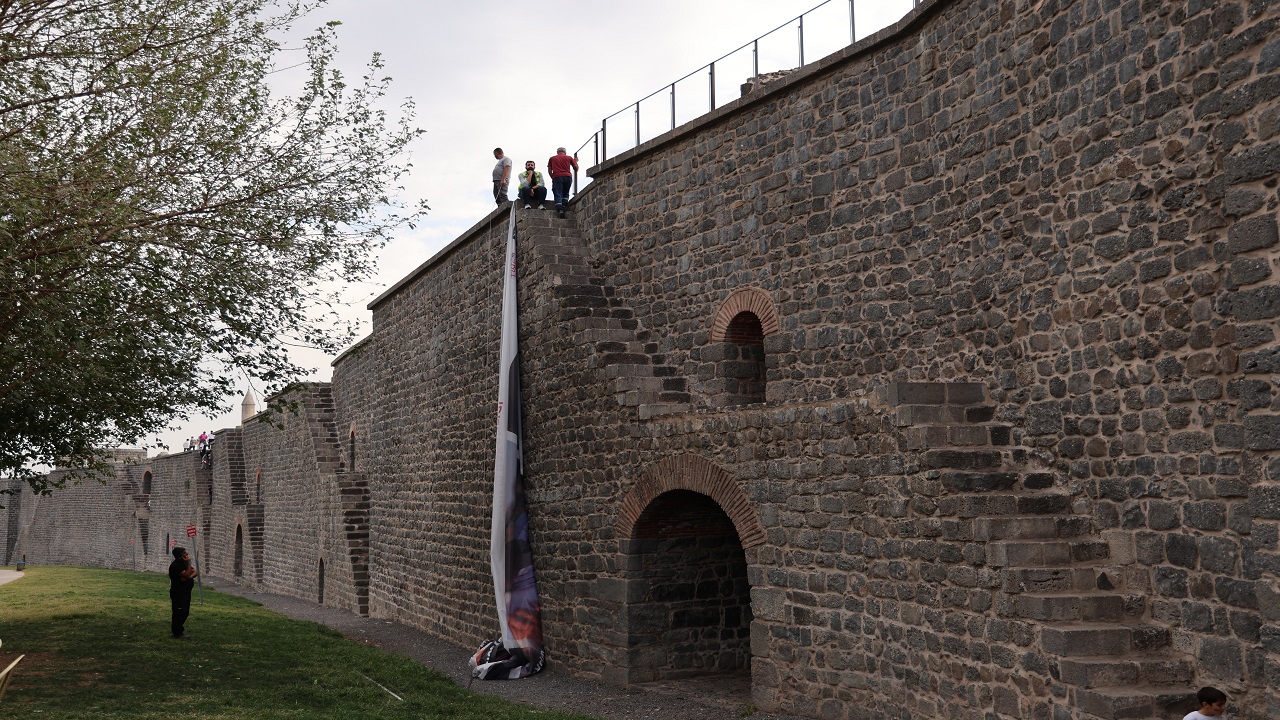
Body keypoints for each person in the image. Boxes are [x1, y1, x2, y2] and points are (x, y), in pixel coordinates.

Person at [168, 547, 198, 638]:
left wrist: (188, 577)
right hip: (178, 592)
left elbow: (194, 572)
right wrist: (188, 566)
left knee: (185, 611)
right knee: (179, 611)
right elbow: (186, 574)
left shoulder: (183, 564)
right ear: (180, 555)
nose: (187, 554)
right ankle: (177, 632)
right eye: (184, 553)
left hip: (186, 591)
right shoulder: (175, 566)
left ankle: (179, 630)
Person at [546, 147, 578, 218]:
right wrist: (575, 161)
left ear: (557, 152)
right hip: (568, 176)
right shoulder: (569, 158)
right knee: (566, 193)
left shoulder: (552, 158)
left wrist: (553, 177)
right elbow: (576, 168)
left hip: (557, 177)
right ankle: (564, 206)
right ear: (565, 152)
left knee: (558, 192)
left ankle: (560, 209)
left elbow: (549, 170)